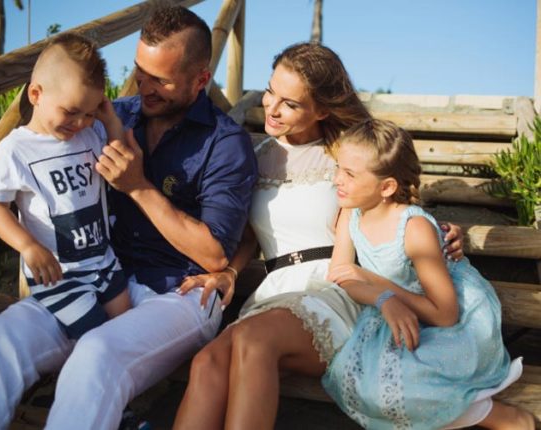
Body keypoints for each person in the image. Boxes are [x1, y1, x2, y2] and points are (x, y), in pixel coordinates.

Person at [0, 6, 257, 430]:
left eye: (161, 80)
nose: (144, 87)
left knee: (96, 354)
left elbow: (214, 255)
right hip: (90, 279)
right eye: (140, 72)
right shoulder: (103, 118)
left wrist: (138, 187)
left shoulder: (226, 143)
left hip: (179, 293)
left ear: (201, 79)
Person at [173, 43, 465, 429]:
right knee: (207, 362)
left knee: (254, 342)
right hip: (274, 290)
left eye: (290, 104)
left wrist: (444, 231)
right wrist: (230, 272)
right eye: (271, 91)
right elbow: (251, 236)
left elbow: (393, 206)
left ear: (322, 110)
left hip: (334, 288)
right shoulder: (253, 155)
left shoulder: (348, 154)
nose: (272, 108)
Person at [322, 118, 533, 430]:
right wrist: (381, 298)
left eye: (349, 174)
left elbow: (445, 314)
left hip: (453, 320)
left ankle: (504, 418)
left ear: (387, 187)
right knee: (359, 382)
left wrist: (376, 284)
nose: (337, 179)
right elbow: (340, 274)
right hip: (395, 310)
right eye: (339, 168)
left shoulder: (414, 228)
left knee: (409, 388)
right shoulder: (351, 212)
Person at [0, 33, 131, 340]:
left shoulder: (90, 135)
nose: (80, 122)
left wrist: (111, 122)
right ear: (36, 94)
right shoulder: (15, 151)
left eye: (89, 113)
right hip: (58, 273)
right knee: (94, 335)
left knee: (125, 324)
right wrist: (27, 246)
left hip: (104, 259)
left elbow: (119, 161)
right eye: (71, 112)